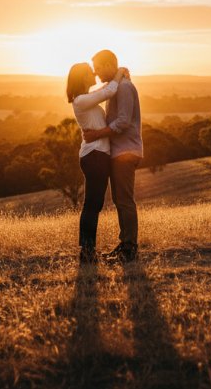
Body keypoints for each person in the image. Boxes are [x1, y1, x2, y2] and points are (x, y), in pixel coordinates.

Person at [82, 49, 142, 263]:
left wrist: (97, 134)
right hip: (120, 151)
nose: (96, 73)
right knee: (120, 199)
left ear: (108, 64)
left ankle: (130, 248)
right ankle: (125, 244)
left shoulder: (124, 87)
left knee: (124, 200)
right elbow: (103, 92)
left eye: (98, 68)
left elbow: (123, 121)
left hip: (125, 150)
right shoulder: (117, 85)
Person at [67, 62, 129, 264]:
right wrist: (120, 72)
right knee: (92, 205)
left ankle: (88, 250)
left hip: (96, 155)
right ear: (82, 78)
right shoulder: (81, 100)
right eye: (89, 72)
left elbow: (105, 90)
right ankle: (86, 252)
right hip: (94, 156)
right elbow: (109, 91)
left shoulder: (86, 100)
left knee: (94, 205)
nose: (94, 73)